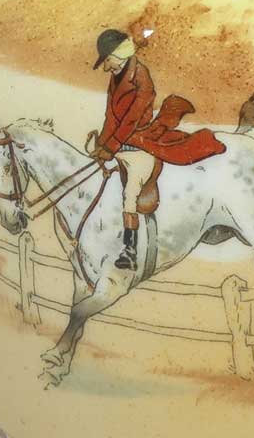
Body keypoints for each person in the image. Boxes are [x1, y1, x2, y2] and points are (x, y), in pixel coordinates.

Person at [90, 29, 225, 270]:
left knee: (130, 194)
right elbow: (111, 116)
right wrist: (101, 143)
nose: (105, 67)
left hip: (140, 145)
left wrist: (111, 146)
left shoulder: (141, 78)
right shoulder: (116, 77)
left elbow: (131, 119)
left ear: (119, 55)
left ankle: (130, 251)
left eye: (107, 60)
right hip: (120, 145)